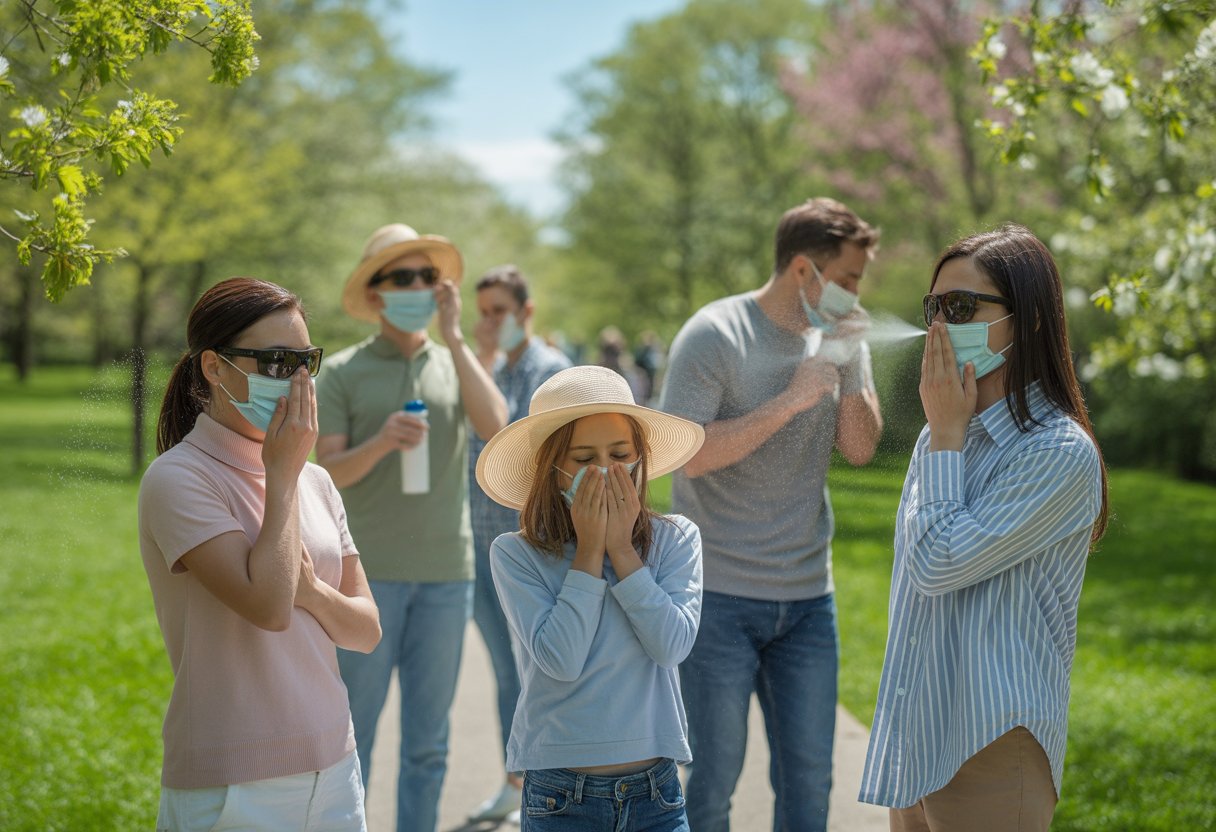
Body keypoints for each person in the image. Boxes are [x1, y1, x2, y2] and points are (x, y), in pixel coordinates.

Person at [859, 225, 1108, 831]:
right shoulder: (941, 433)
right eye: (935, 306)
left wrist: (945, 435)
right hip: (918, 731)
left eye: (964, 306)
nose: (942, 324)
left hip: (992, 737)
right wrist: (945, 433)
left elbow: (939, 563)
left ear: (1028, 321)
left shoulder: (1057, 451)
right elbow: (916, 574)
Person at [658, 197, 884, 832]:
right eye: (848, 280)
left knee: (810, 780)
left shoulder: (839, 338)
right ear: (805, 270)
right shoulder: (714, 334)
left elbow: (862, 447)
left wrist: (847, 366)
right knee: (712, 780)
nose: (855, 294)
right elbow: (688, 457)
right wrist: (791, 398)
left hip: (810, 601)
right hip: (719, 599)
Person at [138, 277, 381, 831]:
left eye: (304, 360)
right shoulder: (178, 479)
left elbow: (365, 631)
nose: (295, 381)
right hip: (233, 783)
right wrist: (282, 474)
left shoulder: (314, 480)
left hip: (335, 764)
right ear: (214, 367)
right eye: (274, 361)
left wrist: (315, 592)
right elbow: (270, 607)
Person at [314, 224, 508, 832]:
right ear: (375, 294)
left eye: (429, 276)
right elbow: (327, 473)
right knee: (355, 738)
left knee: (429, 744)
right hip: (365, 580)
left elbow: (497, 424)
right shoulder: (343, 372)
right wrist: (381, 444)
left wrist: (454, 336)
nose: (420, 287)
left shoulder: (455, 362)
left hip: (448, 576)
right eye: (404, 277)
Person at [475, 365, 706, 830]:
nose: (605, 470)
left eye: (620, 453)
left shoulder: (676, 539)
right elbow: (560, 658)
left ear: (640, 459)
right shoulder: (517, 553)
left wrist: (622, 551)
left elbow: (671, 645)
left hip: (655, 792)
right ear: (553, 470)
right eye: (583, 458)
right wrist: (590, 550)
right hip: (561, 795)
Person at [464, 264, 572, 823]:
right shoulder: (488, 366)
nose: (488, 323)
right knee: (506, 673)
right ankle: (516, 783)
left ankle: (540, 786)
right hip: (480, 546)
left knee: (532, 672)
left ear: (526, 312)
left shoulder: (550, 374)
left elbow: (503, 435)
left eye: (498, 312)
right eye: (481, 313)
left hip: (532, 551)